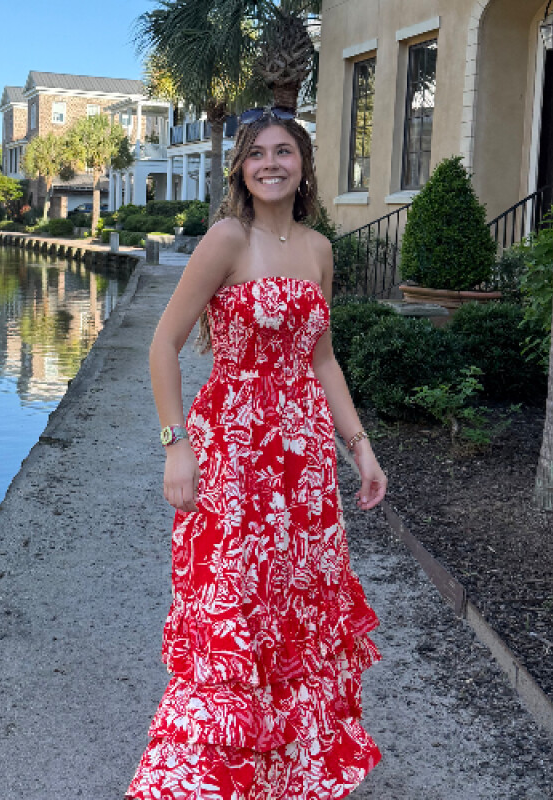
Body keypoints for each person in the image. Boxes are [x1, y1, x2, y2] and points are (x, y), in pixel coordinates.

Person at [126, 105, 387, 800]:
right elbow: (163, 345)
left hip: (303, 464)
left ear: (304, 166)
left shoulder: (320, 248)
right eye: (257, 154)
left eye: (284, 152)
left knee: (296, 610)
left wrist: (360, 449)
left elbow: (322, 359)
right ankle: (204, 782)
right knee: (231, 607)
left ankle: (286, 779)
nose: (271, 164)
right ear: (242, 169)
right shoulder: (227, 239)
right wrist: (175, 445)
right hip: (233, 453)